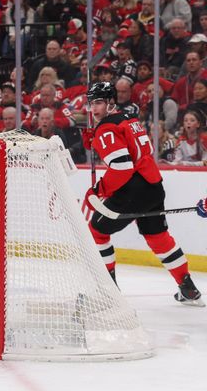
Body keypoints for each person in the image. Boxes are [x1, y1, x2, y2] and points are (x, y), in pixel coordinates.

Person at [83, 81, 202, 306]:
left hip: (133, 188)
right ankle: (188, 288)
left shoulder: (106, 128)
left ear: (110, 102)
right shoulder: (129, 119)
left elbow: (121, 166)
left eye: (98, 102)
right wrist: (96, 140)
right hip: (153, 185)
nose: (93, 108)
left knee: (97, 231)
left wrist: (99, 190)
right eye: (91, 103)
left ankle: (108, 292)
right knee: (158, 237)